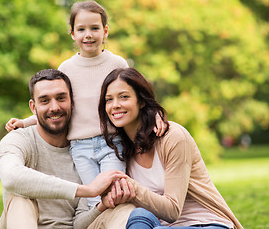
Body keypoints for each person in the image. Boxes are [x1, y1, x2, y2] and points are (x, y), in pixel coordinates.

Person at [5, 0, 167, 207]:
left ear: (105, 31)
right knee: (94, 201)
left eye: (94, 28)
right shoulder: (66, 68)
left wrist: (156, 115)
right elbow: (59, 105)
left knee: (115, 193)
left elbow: (138, 97)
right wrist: (25, 122)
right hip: (80, 147)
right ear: (73, 33)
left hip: (112, 143)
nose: (88, 34)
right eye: (81, 29)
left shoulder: (117, 64)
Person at [98, 68, 243, 229]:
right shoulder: (119, 149)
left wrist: (132, 187)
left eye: (124, 97)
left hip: (206, 224)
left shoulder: (173, 137)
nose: (115, 105)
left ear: (141, 101)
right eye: (108, 100)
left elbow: (173, 210)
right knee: (138, 216)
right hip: (158, 226)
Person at [0, 69, 135, 229]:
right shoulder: (19, 139)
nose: (54, 107)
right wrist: (86, 190)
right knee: (19, 199)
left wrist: (101, 205)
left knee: (125, 209)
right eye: (44, 101)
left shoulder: (86, 152)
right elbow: (11, 177)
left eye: (61, 98)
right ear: (33, 107)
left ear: (72, 102)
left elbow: (80, 223)